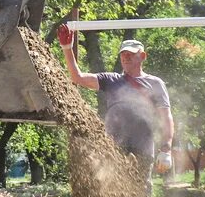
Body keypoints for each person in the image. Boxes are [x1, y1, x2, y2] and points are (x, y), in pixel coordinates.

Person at [57, 26, 175, 184]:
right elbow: (77, 77)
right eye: (123, 54)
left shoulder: (155, 83)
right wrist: (67, 48)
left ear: (142, 56)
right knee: (110, 192)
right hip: (112, 149)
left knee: (139, 194)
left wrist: (166, 148)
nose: (126, 57)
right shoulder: (110, 79)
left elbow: (166, 117)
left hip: (143, 149)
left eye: (131, 54)